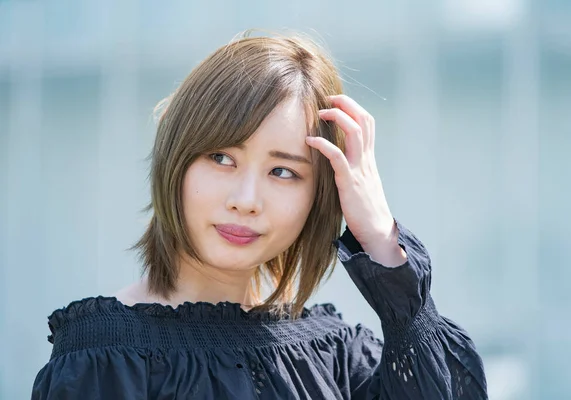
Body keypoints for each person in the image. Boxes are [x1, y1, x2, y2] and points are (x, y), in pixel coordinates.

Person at [31, 33, 487, 399]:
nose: (247, 199)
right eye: (221, 157)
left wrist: (382, 240)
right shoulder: (103, 359)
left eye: (283, 171)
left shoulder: (336, 357)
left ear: (319, 195)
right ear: (176, 157)